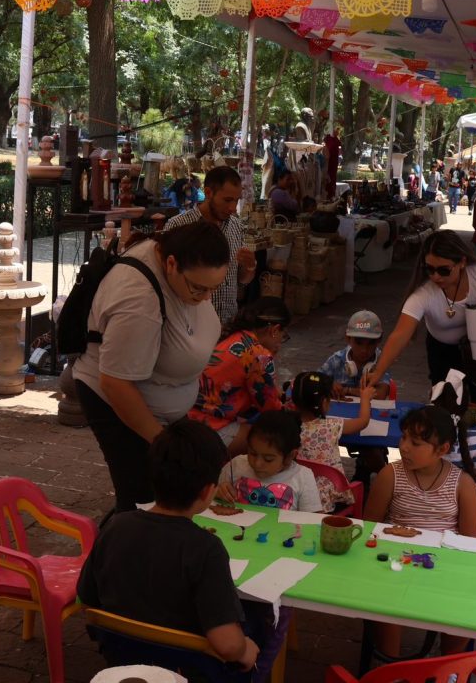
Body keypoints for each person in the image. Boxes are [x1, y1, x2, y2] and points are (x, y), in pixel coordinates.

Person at [76, 421, 262, 674]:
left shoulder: (115, 526)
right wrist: (244, 649)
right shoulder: (206, 548)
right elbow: (228, 645)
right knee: (262, 623)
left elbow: (87, 600)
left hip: (120, 658)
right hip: (187, 668)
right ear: (208, 491)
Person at [72, 221, 230, 514]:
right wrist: (165, 445)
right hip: (117, 402)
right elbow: (115, 383)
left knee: (171, 490)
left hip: (159, 400)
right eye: (199, 288)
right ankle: (124, 541)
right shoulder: (138, 301)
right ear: (171, 264)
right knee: (145, 501)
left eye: (214, 288)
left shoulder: (170, 254)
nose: (206, 297)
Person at [363, 404, 476, 655]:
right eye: (404, 437)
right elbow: (369, 527)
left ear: (442, 450)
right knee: (387, 605)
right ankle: (391, 666)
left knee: (464, 615)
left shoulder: (462, 484)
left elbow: (470, 544)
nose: (404, 447)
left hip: (443, 568)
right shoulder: (390, 475)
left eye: (415, 443)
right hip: (394, 563)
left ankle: (447, 667)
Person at [366, 231, 476, 412]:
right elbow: (400, 335)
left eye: (444, 270)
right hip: (442, 352)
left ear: (462, 262)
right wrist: (378, 372)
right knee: (444, 407)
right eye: (430, 269)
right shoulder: (423, 293)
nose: (436, 276)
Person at [188, 297, 290, 456]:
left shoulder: (234, 336)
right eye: (283, 336)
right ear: (274, 330)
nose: (280, 343)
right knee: (277, 438)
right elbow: (270, 409)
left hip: (191, 415)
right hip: (211, 427)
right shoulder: (258, 354)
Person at [165, 165, 257, 327]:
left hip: (228, 323)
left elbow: (241, 281)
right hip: (190, 326)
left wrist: (249, 267)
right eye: (227, 200)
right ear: (208, 193)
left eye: (236, 200)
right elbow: (166, 280)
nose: (233, 208)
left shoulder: (236, 226)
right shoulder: (178, 226)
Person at [290, 372, 373, 511]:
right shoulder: (331, 426)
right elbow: (363, 421)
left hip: (295, 493)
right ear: (324, 402)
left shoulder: (287, 426)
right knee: (361, 481)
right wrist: (365, 398)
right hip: (329, 499)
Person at [216, 411, 321, 512]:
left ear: (289, 457)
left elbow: (312, 520)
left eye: (268, 459)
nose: (257, 464)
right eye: (252, 454)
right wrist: (218, 492)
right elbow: (211, 493)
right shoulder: (237, 465)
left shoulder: (302, 477)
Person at [319, 310, 391, 400]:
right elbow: (314, 381)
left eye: (371, 343)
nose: (364, 350)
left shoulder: (382, 361)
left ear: (379, 340)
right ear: (348, 338)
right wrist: (328, 385)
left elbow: (381, 394)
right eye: (358, 343)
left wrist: (347, 390)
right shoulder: (336, 360)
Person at [323, 125, 342, 198]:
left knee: (332, 178)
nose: (337, 133)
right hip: (328, 161)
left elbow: (339, 144)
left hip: (334, 162)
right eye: (336, 131)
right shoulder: (328, 138)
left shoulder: (337, 140)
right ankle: (327, 193)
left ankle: (331, 194)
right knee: (328, 177)